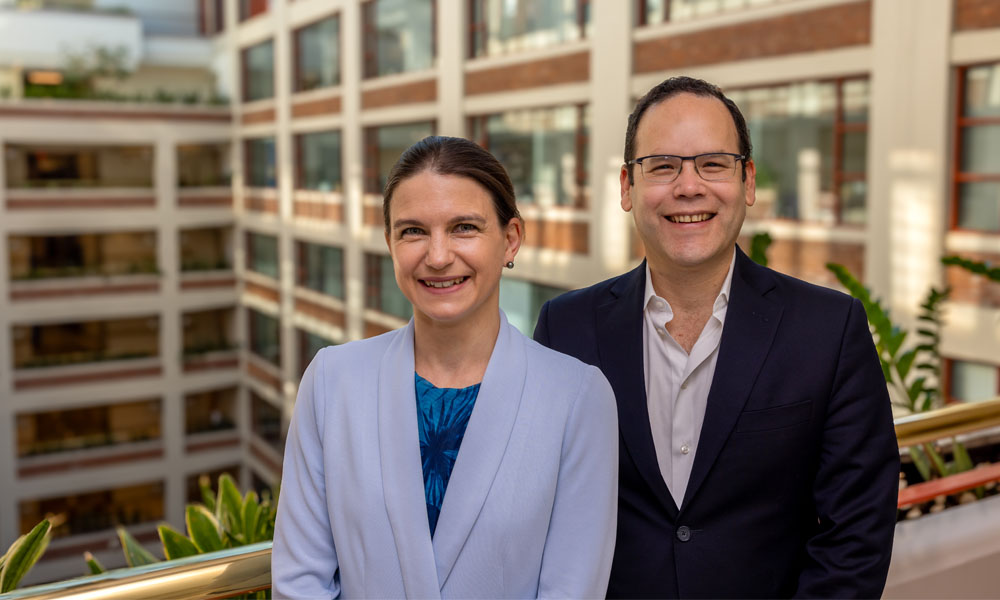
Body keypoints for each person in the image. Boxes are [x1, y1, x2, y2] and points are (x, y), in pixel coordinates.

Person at [534, 77, 899, 598]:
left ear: (747, 181)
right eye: (662, 166)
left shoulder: (829, 328)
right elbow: (541, 518)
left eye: (713, 163)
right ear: (625, 187)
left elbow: (858, 532)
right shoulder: (565, 327)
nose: (688, 186)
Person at [273, 135, 618, 599]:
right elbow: (299, 584)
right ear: (390, 244)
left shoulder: (578, 398)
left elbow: (571, 590)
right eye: (413, 231)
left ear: (510, 239)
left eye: (464, 228)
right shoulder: (331, 382)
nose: (437, 256)